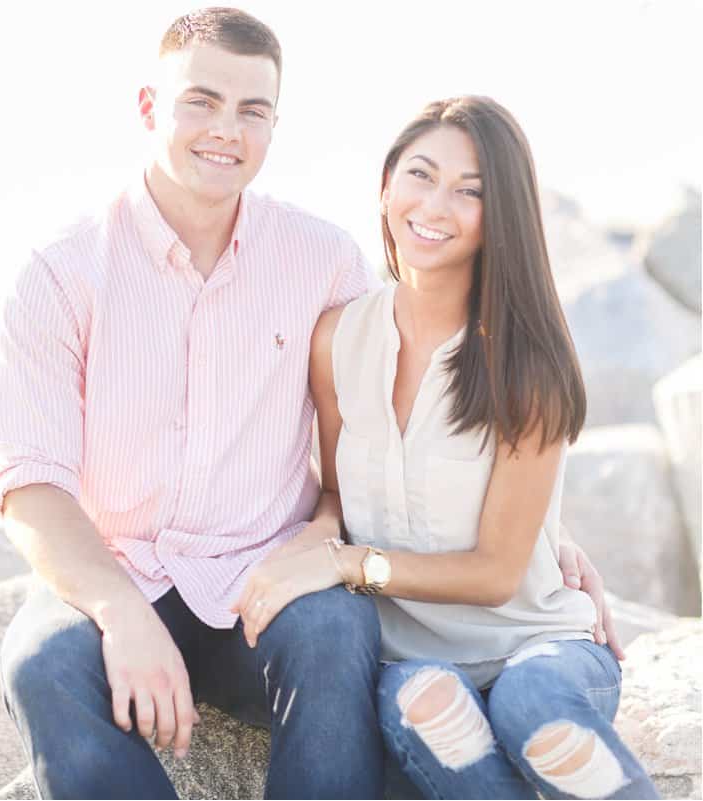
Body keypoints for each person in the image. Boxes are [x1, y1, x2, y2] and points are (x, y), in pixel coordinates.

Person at [0, 8, 619, 797]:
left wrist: (544, 532)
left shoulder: (321, 262)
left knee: (337, 624)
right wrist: (118, 612)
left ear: (274, 126)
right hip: (124, 569)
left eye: (252, 110)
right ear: (150, 108)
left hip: (267, 573)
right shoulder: (61, 274)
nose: (225, 130)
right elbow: (27, 483)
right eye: (200, 102)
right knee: (41, 662)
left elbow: (412, 419)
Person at [238, 96, 658, 799]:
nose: (436, 205)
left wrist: (350, 564)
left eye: (470, 191)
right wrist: (311, 543)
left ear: (502, 219)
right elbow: (339, 488)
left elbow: (497, 572)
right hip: (415, 659)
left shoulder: (528, 366)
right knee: (428, 705)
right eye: (421, 175)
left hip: (536, 644)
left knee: (535, 709)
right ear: (385, 186)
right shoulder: (336, 340)